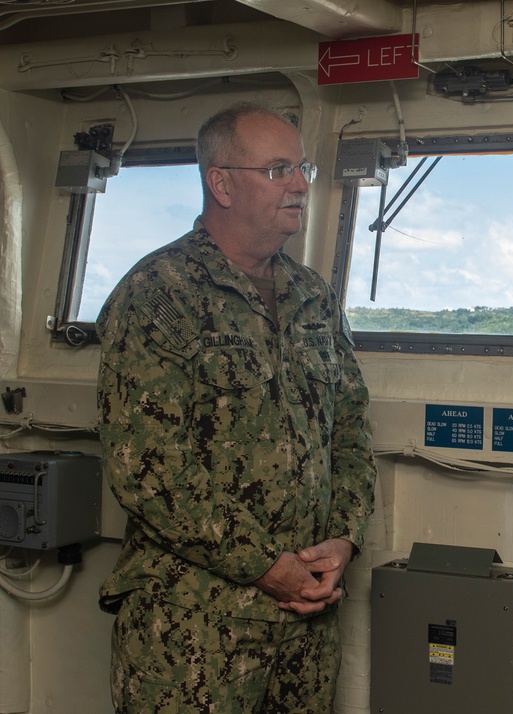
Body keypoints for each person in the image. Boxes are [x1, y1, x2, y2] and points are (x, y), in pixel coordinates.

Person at [96, 101, 377, 713]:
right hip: (193, 631)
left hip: (306, 622)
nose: (301, 183)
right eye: (279, 169)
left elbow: (351, 433)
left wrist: (344, 539)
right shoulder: (158, 295)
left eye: (301, 167)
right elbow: (145, 469)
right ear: (220, 183)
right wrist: (263, 564)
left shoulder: (313, 297)